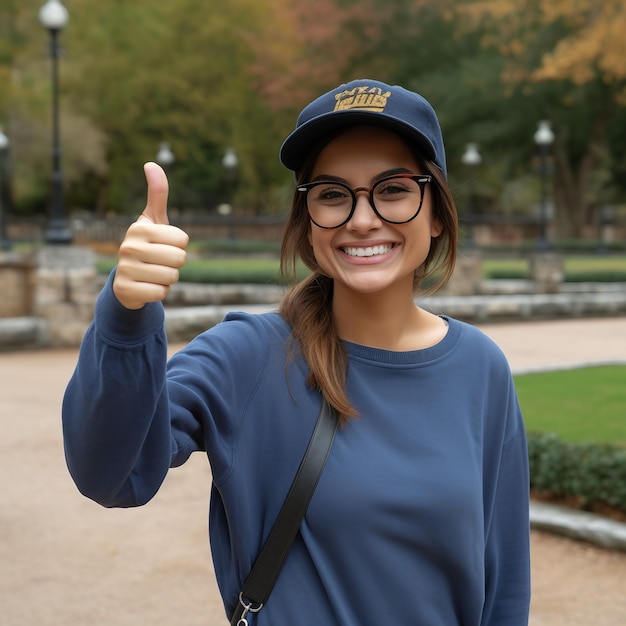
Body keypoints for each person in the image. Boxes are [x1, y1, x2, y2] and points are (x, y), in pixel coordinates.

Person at [62, 78, 531, 625]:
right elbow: (110, 475)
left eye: (394, 189)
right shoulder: (249, 358)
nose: (362, 218)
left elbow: (504, 585)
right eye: (332, 194)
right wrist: (126, 314)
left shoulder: (480, 368)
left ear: (436, 213)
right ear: (307, 224)